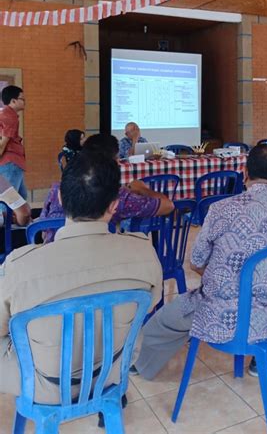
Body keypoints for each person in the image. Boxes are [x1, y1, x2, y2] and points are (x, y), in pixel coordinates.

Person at [131, 144, 267, 379]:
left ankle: (142, 368)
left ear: (245, 174)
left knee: (160, 323)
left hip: (219, 316)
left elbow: (195, 262)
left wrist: (227, 278)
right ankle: (264, 353)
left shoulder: (220, 210)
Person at [0, 152, 163, 403]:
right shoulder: (145, 253)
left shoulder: (21, 266)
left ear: (61, 198)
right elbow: (150, 305)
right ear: (114, 205)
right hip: (111, 375)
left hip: (44, 386)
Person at [40, 134, 174, 242]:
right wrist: (142, 189)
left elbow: (41, 230)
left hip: (51, 256)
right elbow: (168, 206)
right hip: (102, 258)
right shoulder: (118, 196)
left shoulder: (57, 189)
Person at [0, 86, 27, 199]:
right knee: (10, 202)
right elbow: (2, 144)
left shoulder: (5, 114)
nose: (24, 102)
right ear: (13, 101)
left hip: (13, 163)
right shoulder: (10, 117)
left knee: (21, 199)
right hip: (10, 163)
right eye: (22, 99)